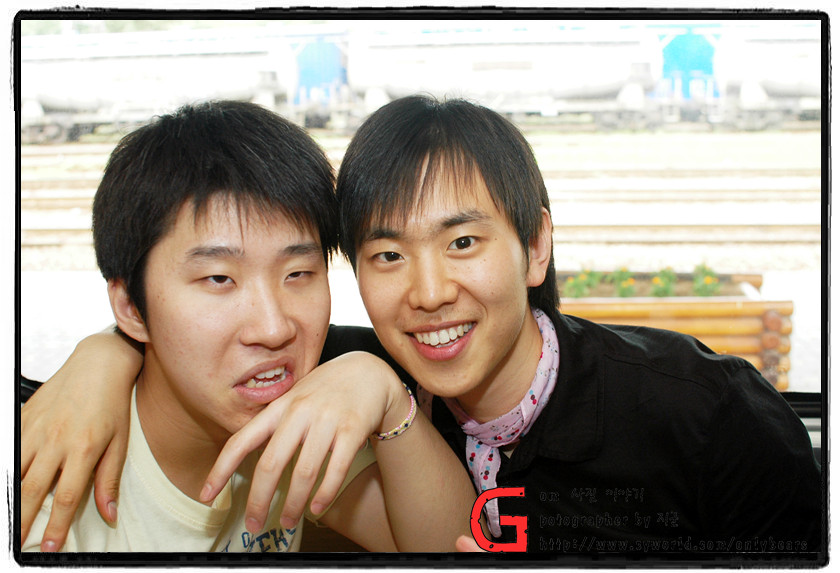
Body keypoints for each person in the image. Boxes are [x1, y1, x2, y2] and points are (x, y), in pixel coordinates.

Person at [21, 96, 823, 558]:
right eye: (386, 255)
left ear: (536, 246)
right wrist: (103, 356)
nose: (430, 292)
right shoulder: (301, 388)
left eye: (463, 242)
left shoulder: (708, 411)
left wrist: (378, 386)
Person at [18, 100, 475, 553]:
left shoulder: (290, 427)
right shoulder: (48, 487)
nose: (274, 329)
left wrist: (389, 398)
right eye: (219, 279)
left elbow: (456, 550)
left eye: (298, 273)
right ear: (131, 308)